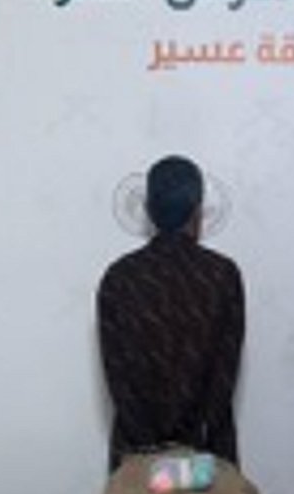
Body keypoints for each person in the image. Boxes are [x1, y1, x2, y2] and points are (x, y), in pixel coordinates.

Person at [96, 155, 244, 472]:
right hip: (208, 456)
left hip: (137, 457)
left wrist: (150, 448)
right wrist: (195, 445)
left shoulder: (118, 278)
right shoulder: (222, 276)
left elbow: (118, 379)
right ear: (197, 211)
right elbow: (224, 376)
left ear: (148, 210)